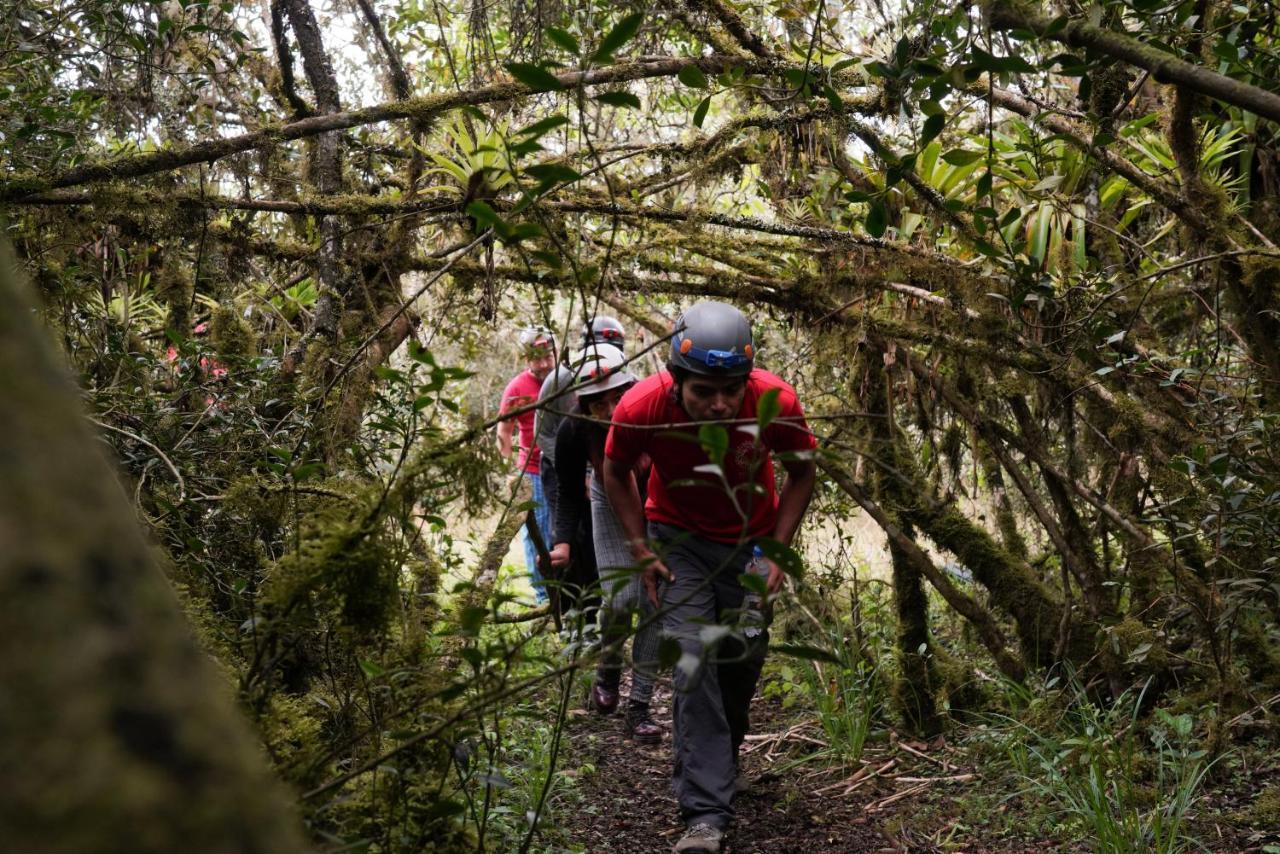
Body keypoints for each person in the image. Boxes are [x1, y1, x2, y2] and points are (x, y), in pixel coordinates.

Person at [601, 301, 817, 853]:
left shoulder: (776, 400)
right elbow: (615, 469)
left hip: (751, 542)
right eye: (704, 390)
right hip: (679, 541)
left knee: (739, 662)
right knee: (695, 659)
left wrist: (776, 550)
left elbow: (802, 470)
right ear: (675, 380)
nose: (720, 403)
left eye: (731, 388)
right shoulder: (641, 406)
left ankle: (721, 765)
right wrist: (641, 548)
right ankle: (704, 815)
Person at [547, 347, 663, 744]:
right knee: (620, 600)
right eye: (599, 403)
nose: (611, 409)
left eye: (618, 397)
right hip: (610, 505)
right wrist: (561, 542)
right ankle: (609, 666)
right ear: (585, 405)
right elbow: (567, 491)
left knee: (655, 606)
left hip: (661, 507)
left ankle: (641, 707)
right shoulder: (573, 430)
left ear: (631, 388)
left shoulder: (656, 412)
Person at [536, 316, 627, 614]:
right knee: (571, 534)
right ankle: (574, 609)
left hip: (604, 463)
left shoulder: (627, 382)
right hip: (560, 459)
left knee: (597, 534)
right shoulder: (560, 380)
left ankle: (602, 601)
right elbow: (545, 433)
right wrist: (585, 473)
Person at [496, 326, 557, 604]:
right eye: (537, 358)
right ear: (526, 358)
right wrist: (510, 468)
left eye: (548, 356)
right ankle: (544, 597)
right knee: (538, 535)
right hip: (532, 472)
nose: (544, 364)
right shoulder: (517, 387)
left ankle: (568, 590)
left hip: (563, 468)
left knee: (564, 532)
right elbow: (504, 430)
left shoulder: (564, 380)